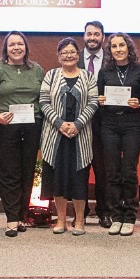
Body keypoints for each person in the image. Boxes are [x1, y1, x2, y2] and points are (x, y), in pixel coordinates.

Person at [0, 32, 44, 237]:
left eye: (20, 44)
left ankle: (21, 216)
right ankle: (11, 218)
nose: (16, 48)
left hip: (32, 126)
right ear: (6, 49)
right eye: (12, 45)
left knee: (27, 172)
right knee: (9, 173)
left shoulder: (36, 70)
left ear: (26, 47)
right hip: (4, 126)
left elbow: (43, 99)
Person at [39, 37, 98, 235]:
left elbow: (93, 103)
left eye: (72, 52)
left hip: (80, 137)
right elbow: (43, 101)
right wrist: (60, 123)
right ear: (58, 56)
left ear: (78, 55)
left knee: (79, 179)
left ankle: (79, 220)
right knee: (58, 179)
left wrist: (78, 124)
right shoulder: (51, 75)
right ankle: (61, 219)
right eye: (64, 52)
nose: (69, 55)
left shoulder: (89, 77)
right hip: (55, 136)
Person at [95, 32, 140, 236]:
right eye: (114, 46)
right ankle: (116, 215)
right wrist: (99, 101)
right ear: (110, 50)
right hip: (108, 124)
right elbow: (99, 97)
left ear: (129, 47)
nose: (118, 49)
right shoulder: (104, 72)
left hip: (132, 124)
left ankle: (130, 216)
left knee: (129, 172)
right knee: (112, 172)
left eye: (122, 45)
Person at [81, 21, 110, 227]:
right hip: (78, 124)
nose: (92, 37)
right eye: (89, 34)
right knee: (79, 170)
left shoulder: (112, 60)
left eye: (96, 34)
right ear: (84, 36)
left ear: (103, 37)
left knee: (103, 170)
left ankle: (104, 212)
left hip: (105, 123)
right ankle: (80, 212)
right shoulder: (73, 56)